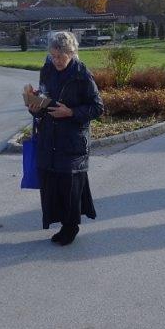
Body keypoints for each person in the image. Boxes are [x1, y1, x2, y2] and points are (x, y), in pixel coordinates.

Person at [29, 31, 104, 246]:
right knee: (52, 184)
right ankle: (64, 225)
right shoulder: (47, 70)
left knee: (69, 186)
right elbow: (44, 98)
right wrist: (34, 105)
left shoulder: (82, 75)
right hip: (49, 138)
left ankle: (71, 228)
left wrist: (70, 112)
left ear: (71, 53)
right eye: (53, 56)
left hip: (72, 140)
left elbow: (97, 107)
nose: (56, 61)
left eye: (61, 56)